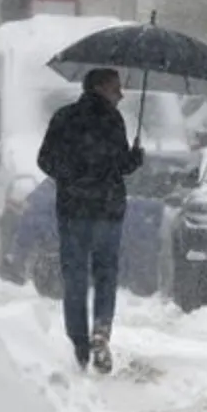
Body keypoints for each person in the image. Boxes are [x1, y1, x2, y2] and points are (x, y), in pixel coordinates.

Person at [37, 68, 144, 373]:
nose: (121, 94)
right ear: (99, 87)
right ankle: (101, 329)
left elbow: (44, 159)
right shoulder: (112, 120)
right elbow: (121, 165)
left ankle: (79, 346)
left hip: (73, 210)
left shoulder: (64, 117)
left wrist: (71, 177)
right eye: (116, 88)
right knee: (106, 273)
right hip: (108, 210)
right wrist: (135, 158)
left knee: (74, 277)